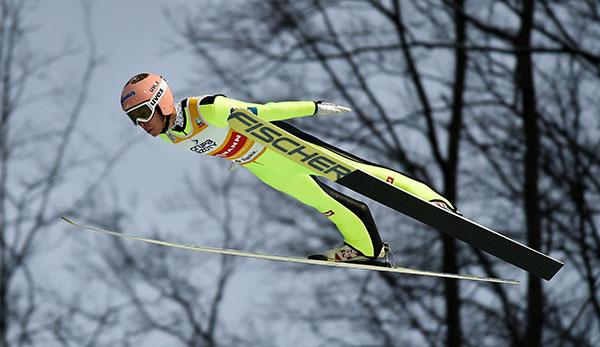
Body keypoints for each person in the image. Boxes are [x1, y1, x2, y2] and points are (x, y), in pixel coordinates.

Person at [120, 73, 459, 262]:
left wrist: (312, 107)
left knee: (356, 170)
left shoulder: (208, 108)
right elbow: (215, 144)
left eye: (144, 113)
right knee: (323, 203)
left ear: (162, 102)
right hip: (260, 165)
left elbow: (263, 112)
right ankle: (367, 247)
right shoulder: (168, 136)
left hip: (278, 144)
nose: (142, 124)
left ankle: (432, 201)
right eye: (134, 119)